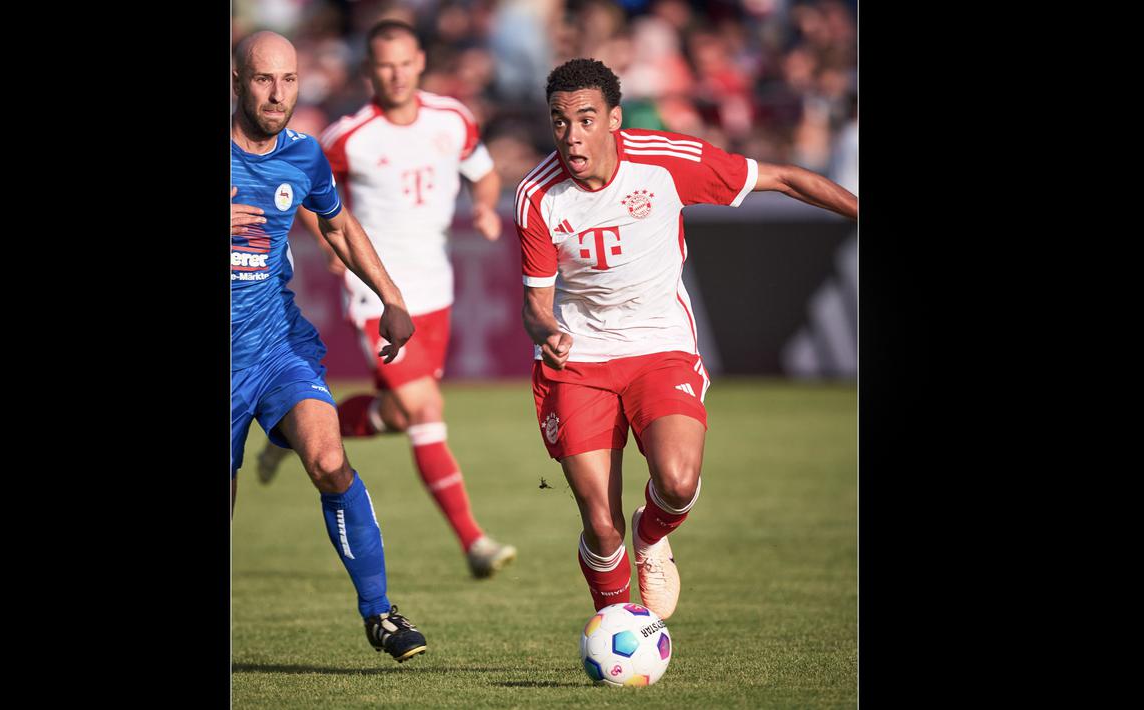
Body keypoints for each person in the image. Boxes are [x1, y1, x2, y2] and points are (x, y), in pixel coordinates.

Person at [517, 58, 857, 619]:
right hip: (580, 358)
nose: (571, 136)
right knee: (601, 526)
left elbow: (789, 179)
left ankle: (651, 537)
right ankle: (620, 626)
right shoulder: (537, 195)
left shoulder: (665, 161)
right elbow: (535, 302)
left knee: (676, 482)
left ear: (614, 119)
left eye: (584, 119)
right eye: (558, 122)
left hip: (659, 345)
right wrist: (548, 330)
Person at [255, 20, 517, 580]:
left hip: (437, 292)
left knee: (398, 414)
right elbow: (305, 187)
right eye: (384, 65)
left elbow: (485, 174)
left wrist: (487, 208)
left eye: (404, 63)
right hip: (375, 294)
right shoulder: (350, 135)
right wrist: (327, 238)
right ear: (370, 70)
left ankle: (293, 431)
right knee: (424, 409)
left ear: (419, 61)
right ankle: (474, 541)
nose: (395, 74)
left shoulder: (453, 119)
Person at [230, 30, 428, 663]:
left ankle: (380, 613)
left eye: (288, 80)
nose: (277, 93)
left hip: (276, 345)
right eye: (263, 79)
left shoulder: (305, 155)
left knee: (327, 458)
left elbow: (338, 227)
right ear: (236, 83)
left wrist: (391, 298)